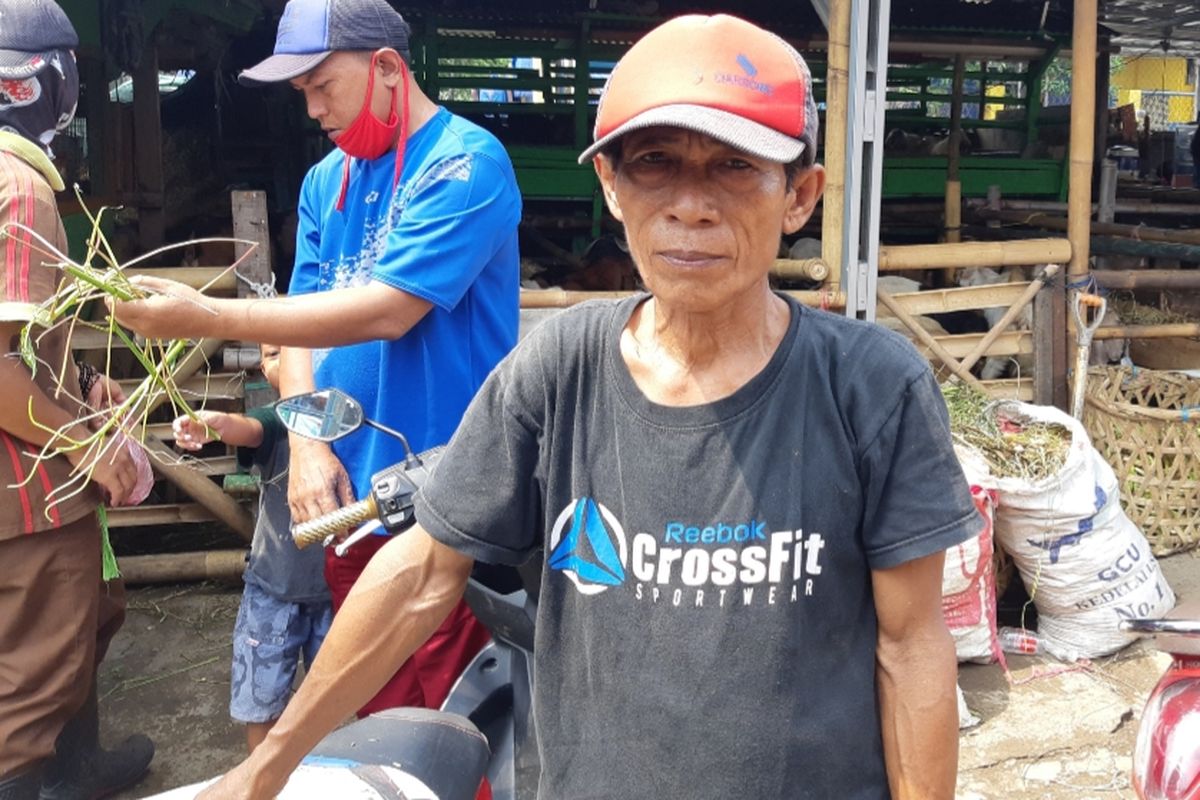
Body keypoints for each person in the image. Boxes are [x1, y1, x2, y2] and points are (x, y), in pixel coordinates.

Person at [185, 13, 979, 800]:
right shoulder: (560, 372)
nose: (691, 205)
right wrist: (267, 767)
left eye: (736, 167)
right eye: (655, 164)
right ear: (611, 187)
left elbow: (911, 646)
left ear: (800, 196)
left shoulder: (870, 387)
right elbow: (426, 569)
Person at [111, 0, 520, 716]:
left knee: (463, 715)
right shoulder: (325, 182)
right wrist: (305, 440)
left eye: (323, 85)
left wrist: (205, 315)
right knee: (376, 710)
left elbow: (390, 309)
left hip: (447, 501)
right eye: (302, 93)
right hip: (346, 503)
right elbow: (302, 326)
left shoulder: (467, 163)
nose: (313, 109)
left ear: (388, 69)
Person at [0, 2, 154, 797]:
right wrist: (89, 446)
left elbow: (20, 341)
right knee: (31, 680)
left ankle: (81, 770)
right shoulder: (19, 189)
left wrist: (83, 384)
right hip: (25, 491)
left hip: (33, 461)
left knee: (83, 623)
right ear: (44, 82)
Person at [172, 342, 333, 754]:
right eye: (275, 352)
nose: (294, 359)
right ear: (263, 368)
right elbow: (248, 427)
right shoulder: (279, 421)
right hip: (272, 590)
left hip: (337, 595)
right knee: (260, 706)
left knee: (334, 702)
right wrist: (216, 425)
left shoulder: (348, 415)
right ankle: (265, 775)